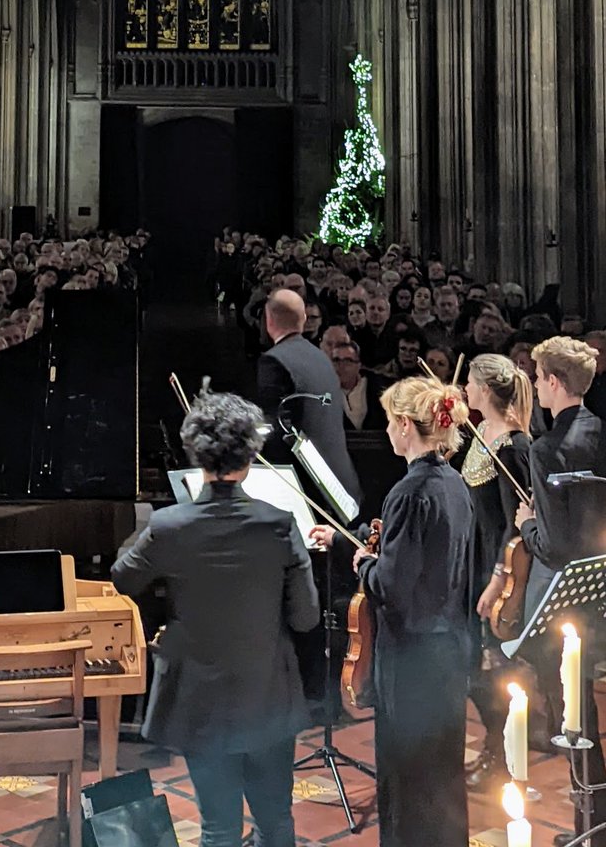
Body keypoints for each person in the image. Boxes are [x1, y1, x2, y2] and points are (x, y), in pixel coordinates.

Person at [111, 391, 320, 847]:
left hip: (198, 699)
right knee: (276, 823)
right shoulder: (280, 524)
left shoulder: (169, 526)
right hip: (268, 694)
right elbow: (305, 618)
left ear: (195, 454)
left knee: (218, 829)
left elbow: (122, 579)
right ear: (250, 456)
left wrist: (148, 535)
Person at [311, 375, 473, 847]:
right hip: (448, 651)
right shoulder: (455, 484)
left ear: (406, 424)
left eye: (388, 421)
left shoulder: (409, 491)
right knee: (442, 777)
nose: (385, 431)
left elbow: (391, 585)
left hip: (411, 659)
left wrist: (363, 561)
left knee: (405, 782)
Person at [514, 336, 606, 847]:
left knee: (574, 717)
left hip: (565, 598)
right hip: (601, 587)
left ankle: (586, 825)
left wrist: (527, 523)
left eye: (536, 377)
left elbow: (552, 545)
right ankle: (596, 820)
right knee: (587, 710)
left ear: (552, 382)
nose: (533, 385)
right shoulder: (602, 432)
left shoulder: (546, 449)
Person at [461, 355, 532, 791]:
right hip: (472, 559)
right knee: (473, 664)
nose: (465, 390)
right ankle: (497, 742)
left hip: (494, 564)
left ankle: (500, 749)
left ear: (485, 389)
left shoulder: (513, 446)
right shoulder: (482, 432)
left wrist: (496, 580)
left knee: (491, 667)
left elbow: (513, 523)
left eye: (469, 383)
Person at [258, 289, 361, 504]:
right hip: (341, 483)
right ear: (303, 319)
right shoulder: (321, 358)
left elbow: (279, 431)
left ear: (269, 321)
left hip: (308, 492)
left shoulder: (275, 361)